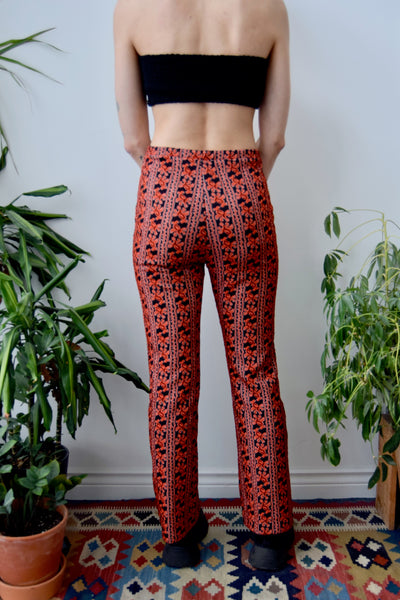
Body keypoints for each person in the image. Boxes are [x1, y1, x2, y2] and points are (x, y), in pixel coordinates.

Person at [113, 0, 294, 571]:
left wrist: (174, 184)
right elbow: (274, 137)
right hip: (242, 185)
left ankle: (179, 536)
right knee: (255, 372)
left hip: (164, 191)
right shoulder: (269, 8)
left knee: (171, 380)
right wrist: (236, 186)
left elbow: (133, 139)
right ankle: (268, 534)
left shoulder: (132, 8)